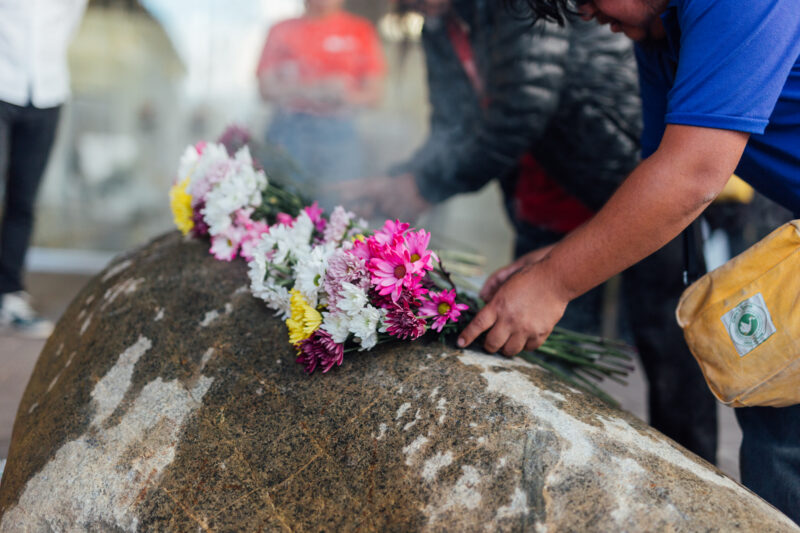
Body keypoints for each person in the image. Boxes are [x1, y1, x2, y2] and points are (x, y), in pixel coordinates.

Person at [458, 0, 800, 522]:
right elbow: (656, 171)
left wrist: (553, 283)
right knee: (776, 423)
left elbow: (691, 176)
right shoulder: (660, 35)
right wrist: (551, 258)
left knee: (785, 441)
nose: (585, 11)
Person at [338, 0, 719, 464]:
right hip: (540, 196)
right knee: (539, 346)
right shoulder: (437, 27)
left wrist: (421, 186)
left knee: (670, 341)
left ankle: (692, 477)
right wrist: (403, 179)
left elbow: (522, 106)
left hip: (630, 183)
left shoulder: (514, 5)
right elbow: (451, 131)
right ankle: (559, 465)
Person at [0, 0, 88, 338]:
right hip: (3, 83)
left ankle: (9, 296)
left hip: (48, 92)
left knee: (23, 200)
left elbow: (69, 21)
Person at [256, 0, 386, 190]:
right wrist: (313, 89)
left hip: (341, 137)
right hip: (287, 134)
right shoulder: (281, 30)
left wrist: (344, 95)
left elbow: (375, 95)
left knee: (338, 204)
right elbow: (265, 90)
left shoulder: (360, 30)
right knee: (284, 202)